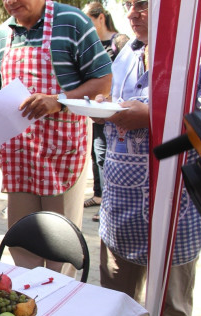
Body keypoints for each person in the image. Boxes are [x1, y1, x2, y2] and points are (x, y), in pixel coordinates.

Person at [97, 2, 201, 316]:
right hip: (121, 198)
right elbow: (116, 103)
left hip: (177, 199)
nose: (133, 13)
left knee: (171, 299)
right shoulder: (126, 52)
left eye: (145, 4)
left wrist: (149, 116)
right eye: (129, 4)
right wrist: (103, 106)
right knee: (115, 292)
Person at [0, 0, 112, 274]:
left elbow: (103, 81)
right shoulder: (0, 36)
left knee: (61, 248)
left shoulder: (73, 22)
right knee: (22, 243)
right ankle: (27, 306)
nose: (10, 2)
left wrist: (59, 101)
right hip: (19, 156)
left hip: (62, 155)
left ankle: (61, 310)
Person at [82, 1, 129, 221]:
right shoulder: (89, 45)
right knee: (97, 154)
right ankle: (100, 196)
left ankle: (110, 205)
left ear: (101, 18)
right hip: (94, 111)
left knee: (107, 156)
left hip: (117, 113)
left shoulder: (120, 42)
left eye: (89, 21)